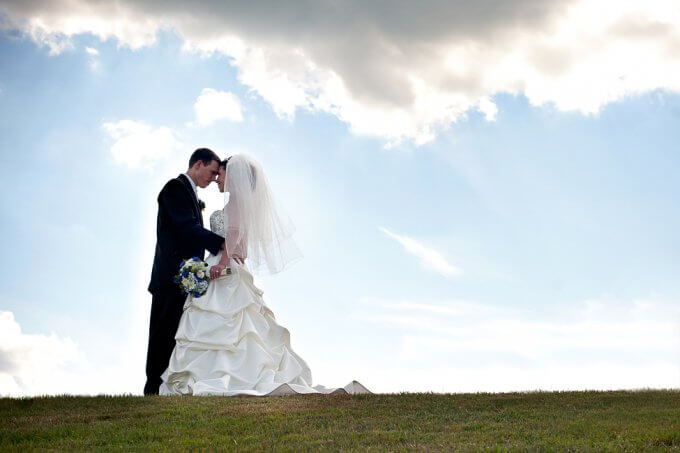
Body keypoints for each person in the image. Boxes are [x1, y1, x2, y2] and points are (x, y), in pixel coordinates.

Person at [160, 154, 370, 395]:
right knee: (234, 327)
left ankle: (221, 375)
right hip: (227, 264)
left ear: (234, 177)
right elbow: (241, 244)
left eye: (221, 174)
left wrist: (221, 264)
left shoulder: (237, 203)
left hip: (224, 268)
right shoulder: (241, 203)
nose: (218, 178)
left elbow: (234, 239)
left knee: (227, 325)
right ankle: (223, 373)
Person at [144, 148, 226, 395]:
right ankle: (153, 389)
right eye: (212, 172)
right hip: (170, 278)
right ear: (198, 164)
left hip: (185, 279)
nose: (213, 179)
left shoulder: (189, 193)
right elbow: (186, 228)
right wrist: (221, 243)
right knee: (163, 335)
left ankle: (168, 388)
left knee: (176, 336)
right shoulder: (175, 188)